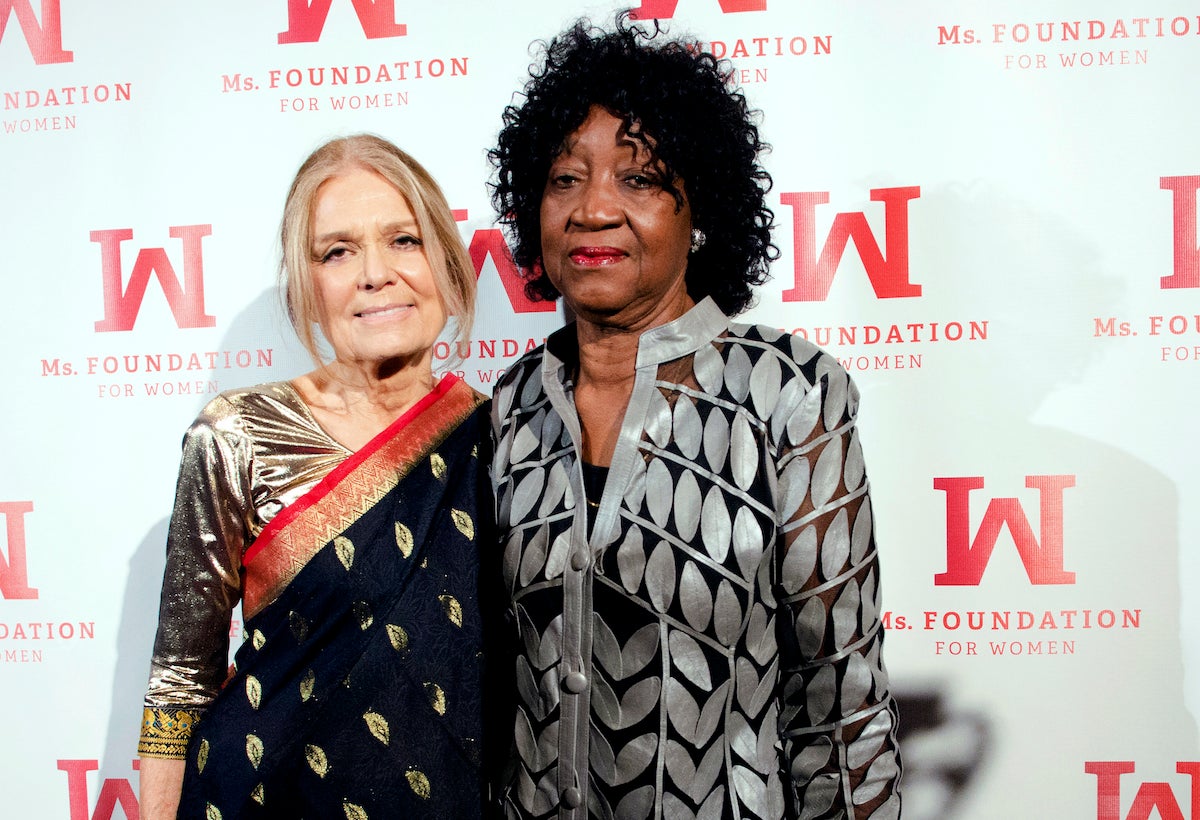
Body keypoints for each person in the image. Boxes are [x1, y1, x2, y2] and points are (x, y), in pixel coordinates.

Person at [487, 16, 901, 819]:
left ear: (698, 206)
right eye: (565, 179)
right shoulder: (511, 405)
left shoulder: (788, 392)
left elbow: (842, 700)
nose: (593, 209)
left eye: (637, 179)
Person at [137, 135, 491, 819]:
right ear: (308, 285)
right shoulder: (236, 435)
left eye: (404, 241)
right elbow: (180, 684)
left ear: (448, 266)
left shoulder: (502, 440)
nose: (375, 273)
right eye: (338, 251)